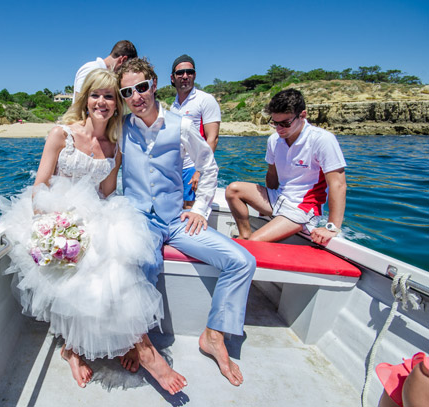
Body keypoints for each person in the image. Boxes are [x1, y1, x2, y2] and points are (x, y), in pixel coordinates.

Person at [0, 69, 184, 394]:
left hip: (92, 214)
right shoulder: (61, 134)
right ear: (85, 100)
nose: (102, 102)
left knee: (117, 251)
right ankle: (127, 349)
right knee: (88, 257)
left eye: (109, 96)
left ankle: (115, 343)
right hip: (52, 215)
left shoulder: (115, 145)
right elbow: (39, 186)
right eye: (96, 95)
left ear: (116, 105)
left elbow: (107, 194)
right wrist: (59, 223)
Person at [117, 57, 256, 387]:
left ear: (153, 84)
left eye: (141, 87)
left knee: (241, 260)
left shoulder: (180, 125)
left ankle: (213, 334)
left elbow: (208, 168)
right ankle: (140, 342)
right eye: (127, 91)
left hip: (176, 218)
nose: (136, 96)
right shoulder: (119, 126)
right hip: (140, 218)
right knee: (141, 263)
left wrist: (200, 210)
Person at [225, 88, 347, 245]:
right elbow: (272, 175)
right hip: (279, 198)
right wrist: (264, 208)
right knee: (233, 189)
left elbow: (338, 184)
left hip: (303, 208)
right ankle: (245, 235)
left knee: (255, 242)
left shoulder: (322, 140)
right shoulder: (274, 140)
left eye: (285, 123)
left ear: (302, 115)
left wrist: (331, 227)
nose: (279, 129)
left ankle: (250, 242)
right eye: (275, 123)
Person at [169, 54, 221, 209]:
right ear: (173, 78)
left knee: (190, 209)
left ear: (194, 75)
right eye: (180, 73)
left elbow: (213, 138)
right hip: (178, 167)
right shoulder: (173, 107)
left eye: (189, 72)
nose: (185, 76)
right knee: (178, 208)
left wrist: (199, 170)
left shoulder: (205, 100)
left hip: (193, 166)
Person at [72, 40, 137, 103]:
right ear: (123, 60)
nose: (125, 72)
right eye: (127, 67)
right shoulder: (91, 69)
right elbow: (79, 101)